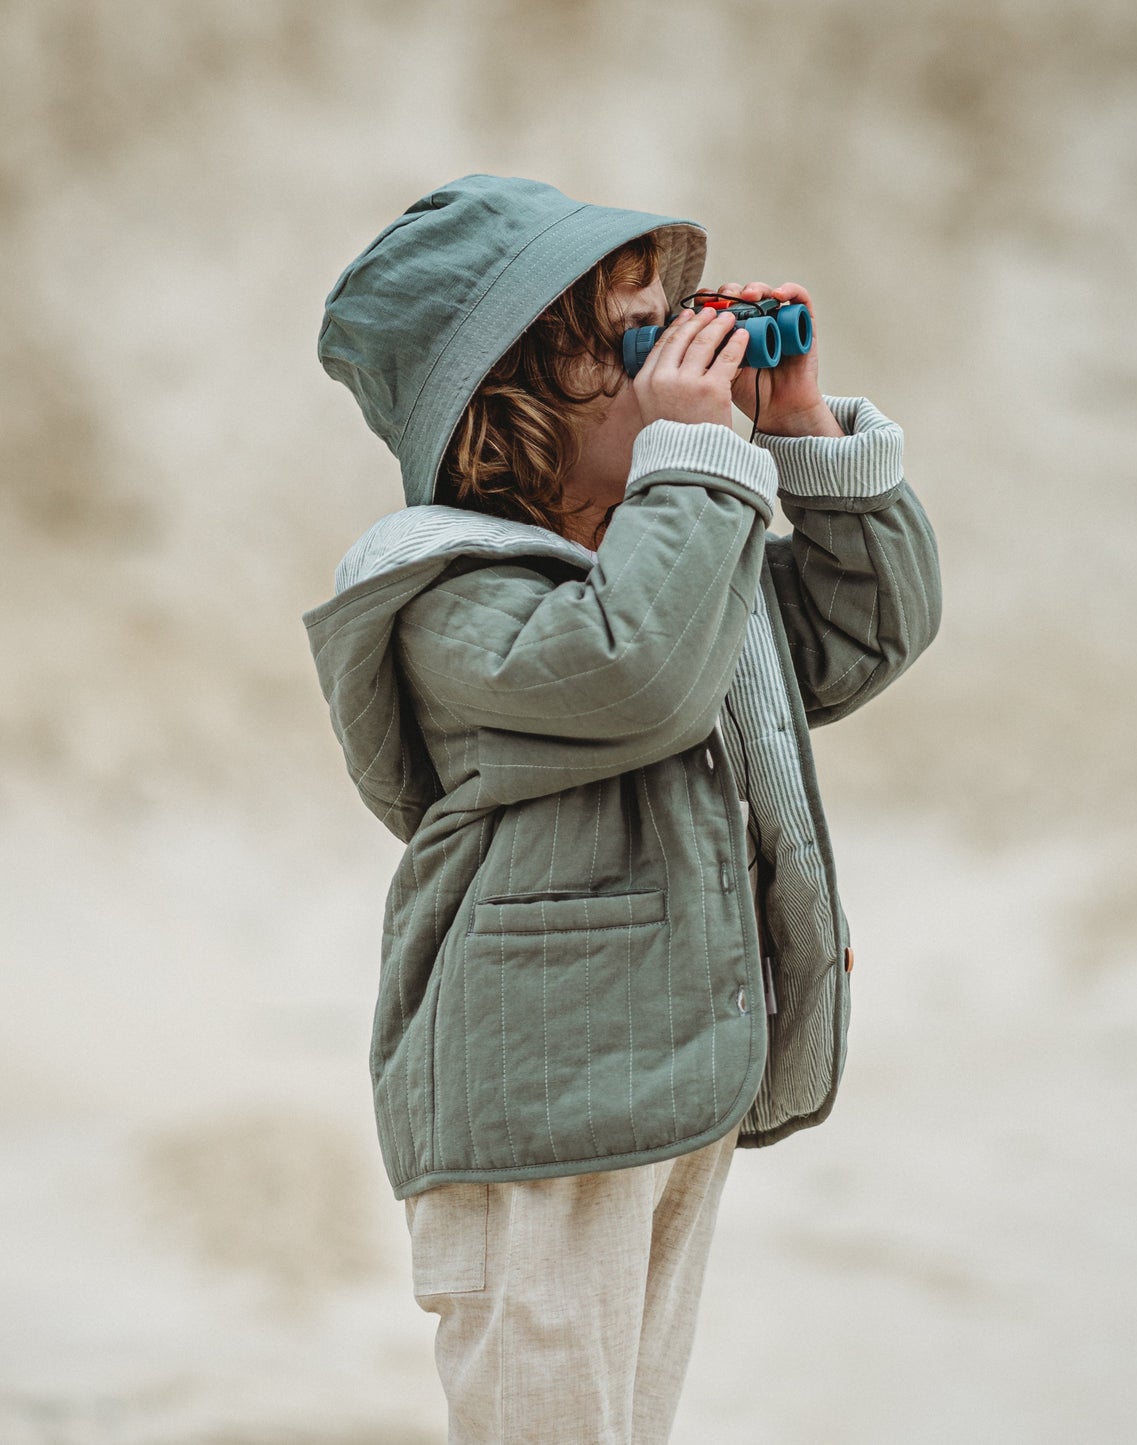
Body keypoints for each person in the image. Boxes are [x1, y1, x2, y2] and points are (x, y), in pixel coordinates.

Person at [302, 174, 941, 1444]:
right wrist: (697, 460)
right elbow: (631, 671)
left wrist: (795, 425)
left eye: (675, 320)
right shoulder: (445, 592)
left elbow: (860, 635)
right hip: (533, 1106)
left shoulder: (672, 547)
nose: (671, 361)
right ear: (508, 404)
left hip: (669, 1076)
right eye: (629, 340)